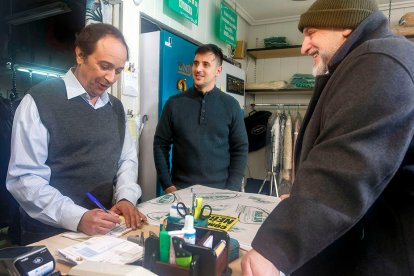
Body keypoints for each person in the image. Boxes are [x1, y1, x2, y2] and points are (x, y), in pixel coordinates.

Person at [242, 0, 414, 275]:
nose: (304, 47)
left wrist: (276, 246)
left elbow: (345, 166)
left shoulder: (380, 60)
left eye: (311, 33)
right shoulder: (361, 63)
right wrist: (302, 199)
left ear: (345, 26)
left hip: (380, 255)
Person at [6, 23, 147, 245]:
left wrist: (126, 197)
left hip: (105, 229)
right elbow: (25, 179)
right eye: (104, 66)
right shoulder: (39, 101)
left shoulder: (116, 108)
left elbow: (126, 160)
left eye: (118, 71)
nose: (111, 78)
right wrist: (77, 217)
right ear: (80, 55)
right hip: (50, 233)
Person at [153, 44, 248, 193]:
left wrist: (232, 189)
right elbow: (160, 144)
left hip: (220, 193)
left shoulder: (231, 105)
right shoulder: (174, 104)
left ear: (218, 70)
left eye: (206, 64)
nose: (198, 69)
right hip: (180, 192)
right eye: (196, 63)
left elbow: (240, 148)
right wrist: (167, 185)